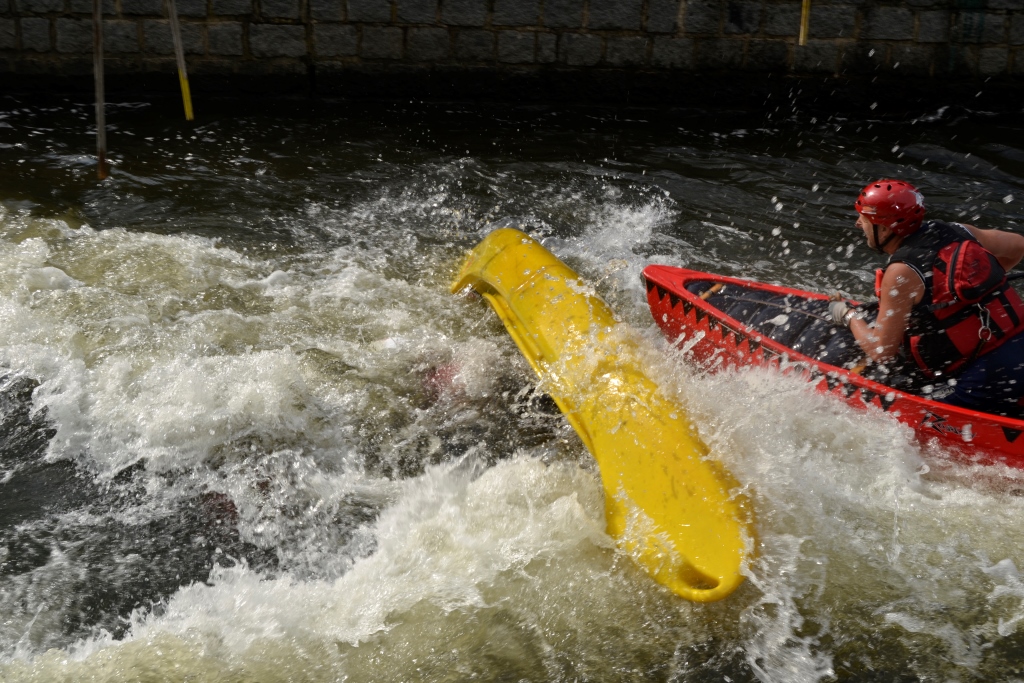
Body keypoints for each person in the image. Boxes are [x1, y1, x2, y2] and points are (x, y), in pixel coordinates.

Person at [828, 179, 1024, 417]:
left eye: (865, 218)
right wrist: (985, 283)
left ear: (886, 228)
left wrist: (848, 315)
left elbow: (882, 351)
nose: (858, 224)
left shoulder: (902, 272)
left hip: (987, 376)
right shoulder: (960, 231)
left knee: (891, 417)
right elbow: (1018, 246)